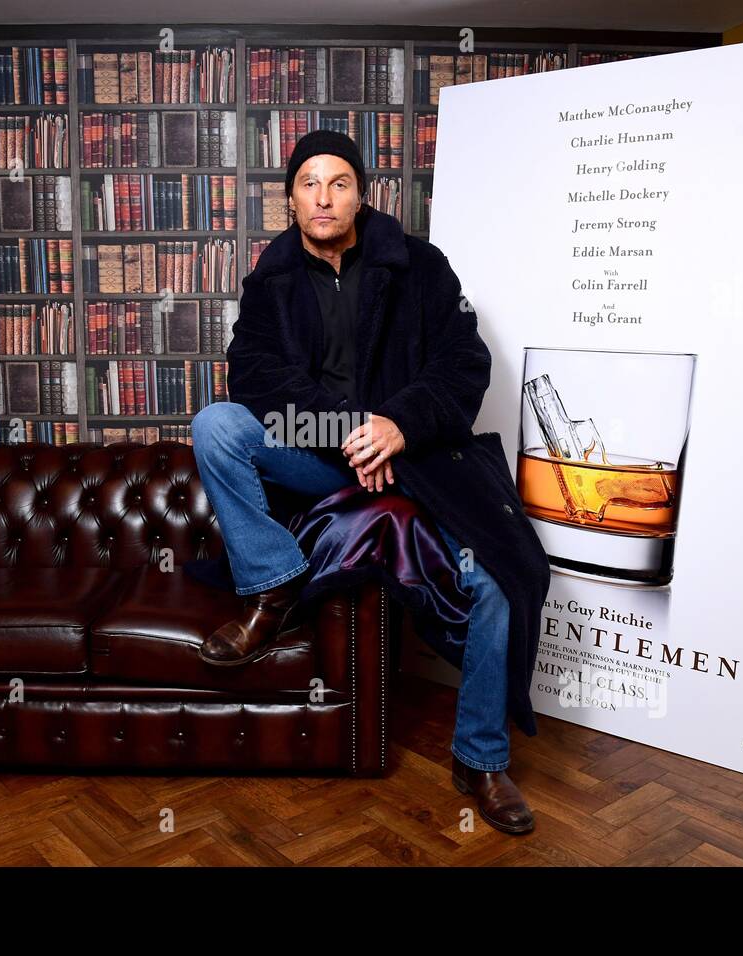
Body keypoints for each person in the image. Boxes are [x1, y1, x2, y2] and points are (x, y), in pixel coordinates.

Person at [190, 129, 551, 835]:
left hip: (416, 457)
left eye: (339, 183)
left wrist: (398, 428)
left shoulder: (420, 267)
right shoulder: (270, 280)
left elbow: (462, 366)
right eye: (309, 184)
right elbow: (256, 377)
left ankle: (480, 756)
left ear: (362, 193)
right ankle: (274, 582)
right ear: (290, 200)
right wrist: (353, 432)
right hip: (320, 451)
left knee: (498, 574)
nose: (324, 197)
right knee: (218, 425)